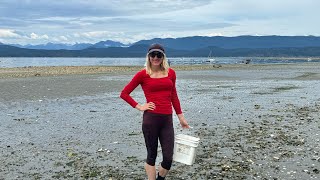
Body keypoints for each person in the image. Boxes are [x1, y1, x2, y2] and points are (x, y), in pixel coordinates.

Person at [120, 43, 190, 180]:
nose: (156, 57)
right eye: (153, 54)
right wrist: (139, 106)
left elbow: (173, 96)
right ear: (149, 57)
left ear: (163, 57)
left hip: (167, 120)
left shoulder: (171, 73)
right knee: (151, 156)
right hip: (150, 120)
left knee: (168, 158)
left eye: (159, 54)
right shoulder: (143, 74)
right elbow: (124, 93)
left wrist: (181, 118)